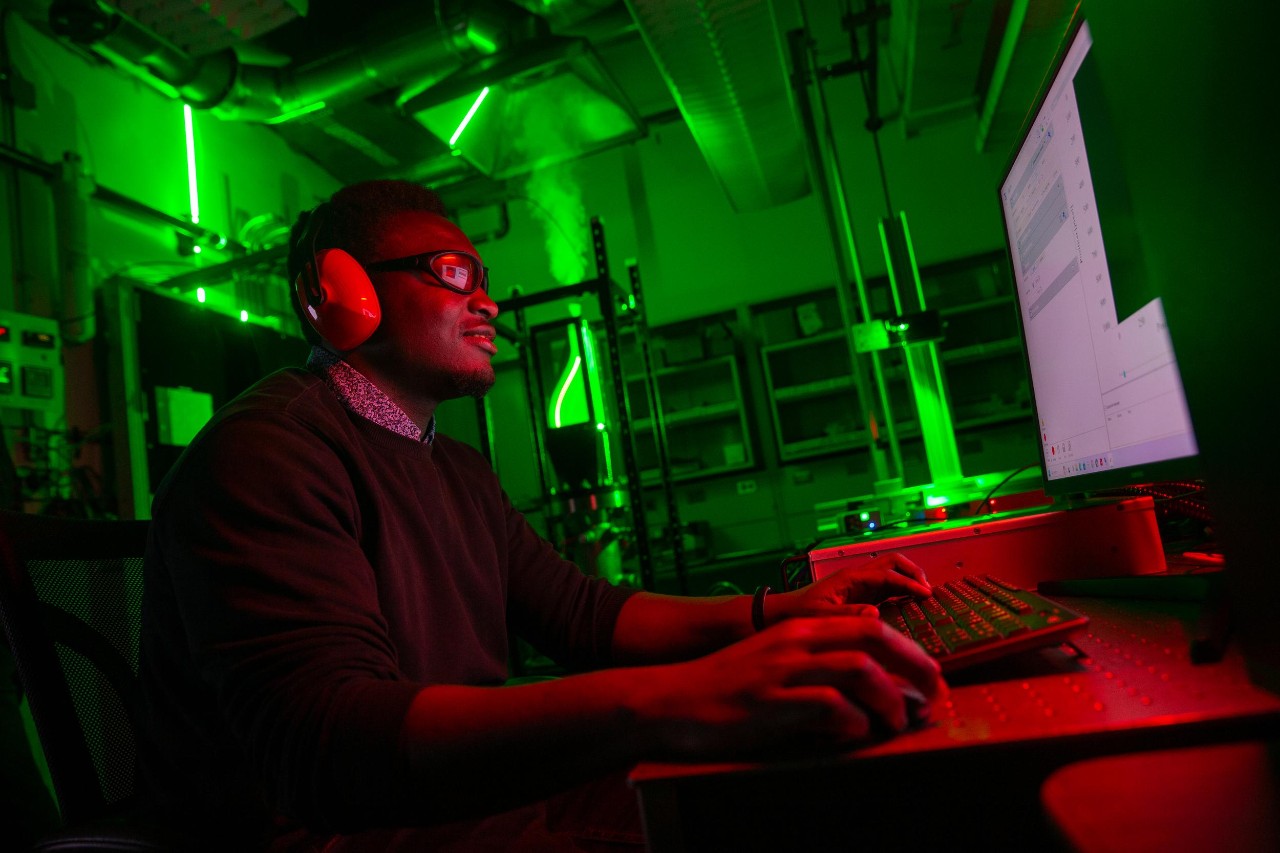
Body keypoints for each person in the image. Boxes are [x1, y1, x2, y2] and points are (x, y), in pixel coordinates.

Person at [136, 179, 947, 852]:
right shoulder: (269, 452)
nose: (487, 303)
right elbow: (328, 744)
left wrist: (778, 613)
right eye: (454, 273)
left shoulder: (454, 465)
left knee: (811, 785)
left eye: (485, 280)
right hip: (365, 840)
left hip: (476, 815)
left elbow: (586, 613)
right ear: (340, 291)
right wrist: (681, 698)